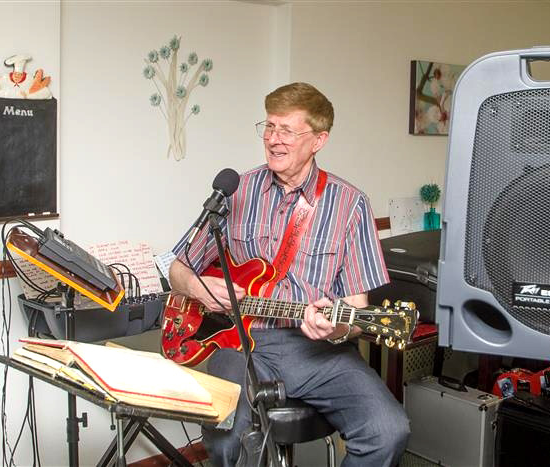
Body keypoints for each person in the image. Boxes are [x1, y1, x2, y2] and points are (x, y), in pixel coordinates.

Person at [169, 82, 410, 467]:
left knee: (388, 430)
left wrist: (337, 328)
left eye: (287, 130)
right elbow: (178, 267)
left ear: (319, 139)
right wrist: (198, 287)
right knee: (228, 437)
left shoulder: (351, 204)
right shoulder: (237, 190)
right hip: (241, 342)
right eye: (268, 127)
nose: (273, 140)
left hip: (315, 350)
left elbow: (356, 311)